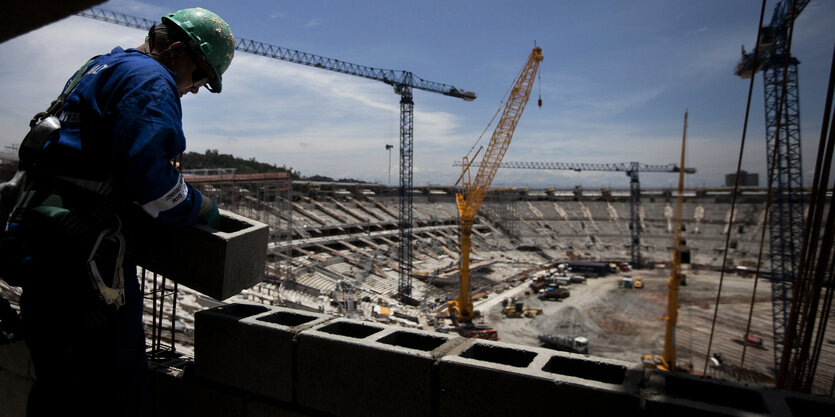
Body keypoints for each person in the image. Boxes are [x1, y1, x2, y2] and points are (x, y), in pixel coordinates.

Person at [1, 7, 235, 416]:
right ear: (178, 51)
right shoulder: (151, 80)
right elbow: (153, 182)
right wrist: (200, 206)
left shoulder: (102, 65)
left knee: (57, 390)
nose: (195, 89)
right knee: (111, 392)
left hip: (43, 250)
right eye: (200, 76)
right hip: (81, 268)